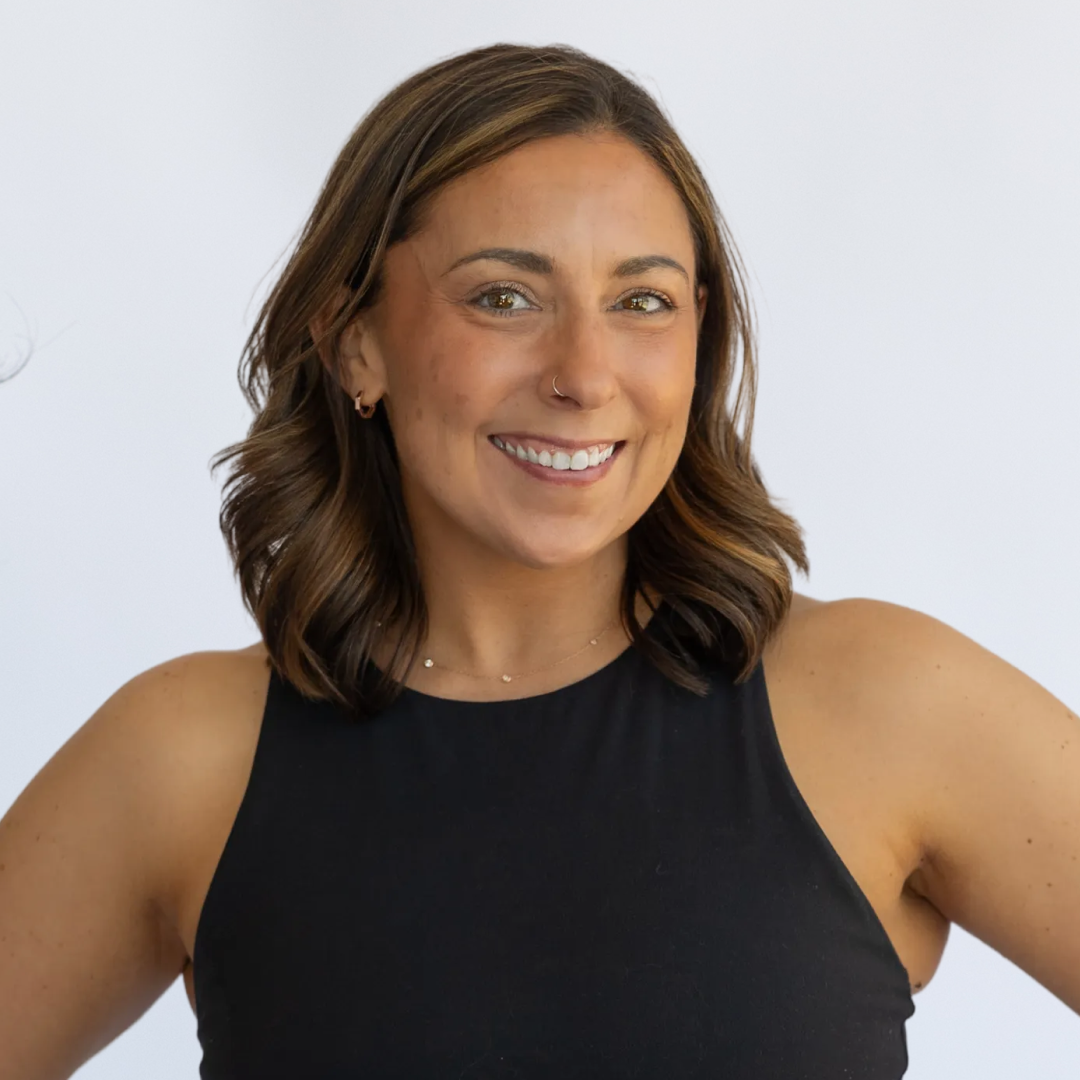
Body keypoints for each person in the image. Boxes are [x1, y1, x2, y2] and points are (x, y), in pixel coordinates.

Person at [1, 42, 1077, 1080]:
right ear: (353, 342)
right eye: (503, 298)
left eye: (642, 300)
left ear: (697, 338)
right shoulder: (183, 760)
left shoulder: (888, 705)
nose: (584, 373)